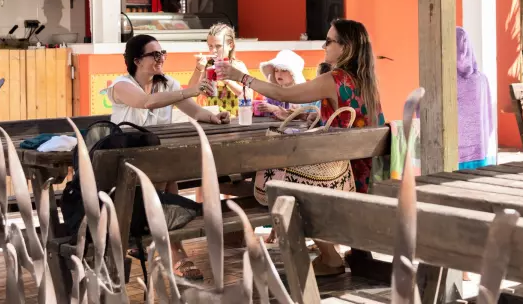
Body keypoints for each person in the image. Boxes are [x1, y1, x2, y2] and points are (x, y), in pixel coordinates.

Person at [216, 19, 383, 276]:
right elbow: (349, 120)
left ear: (346, 47)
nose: (324, 46)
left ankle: (330, 258)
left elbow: (284, 94)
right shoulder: (365, 81)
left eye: (329, 41)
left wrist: (242, 77)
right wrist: (311, 116)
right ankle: (346, 253)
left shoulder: (335, 79)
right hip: (363, 172)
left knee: (282, 185)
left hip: (338, 176)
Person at [106, 34, 229, 280]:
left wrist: (213, 117)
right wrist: (190, 90)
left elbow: (193, 110)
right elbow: (146, 102)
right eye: (155, 55)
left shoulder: (168, 84)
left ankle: (163, 243)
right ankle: (173, 250)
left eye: (162, 53)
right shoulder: (121, 85)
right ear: (137, 61)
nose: (161, 58)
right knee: (167, 173)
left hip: (156, 161)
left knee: (167, 170)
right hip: (124, 164)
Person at [189, 23, 251, 116]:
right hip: (213, 117)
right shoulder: (208, 66)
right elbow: (190, 90)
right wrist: (198, 69)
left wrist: (227, 80)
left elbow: (248, 96)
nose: (213, 50)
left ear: (230, 45)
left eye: (218, 46)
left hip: (233, 118)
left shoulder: (237, 66)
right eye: (210, 46)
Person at [456, 27, 496, 169]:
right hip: (479, 151)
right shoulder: (481, 79)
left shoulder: (445, 80)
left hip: (453, 155)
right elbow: (488, 118)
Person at [256, 50, 319, 120]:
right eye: (276, 71)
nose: (279, 74)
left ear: (293, 73)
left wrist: (274, 109)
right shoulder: (273, 93)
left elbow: (296, 113)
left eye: (284, 70)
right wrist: (261, 108)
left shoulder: (302, 93)